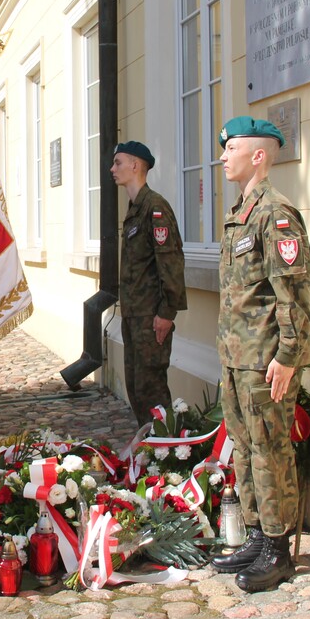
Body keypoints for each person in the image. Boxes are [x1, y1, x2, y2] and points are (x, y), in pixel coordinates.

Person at [208, 117, 310, 593]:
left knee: (271, 451)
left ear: (258, 155)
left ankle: (277, 547)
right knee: (247, 450)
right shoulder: (241, 212)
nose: (222, 155)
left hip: (266, 359)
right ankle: (255, 533)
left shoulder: (277, 213)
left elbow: (291, 291)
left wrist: (289, 356)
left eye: (230, 148)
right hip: (237, 356)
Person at [110, 141, 187, 426]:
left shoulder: (154, 208)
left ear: (135, 165)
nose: (112, 168)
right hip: (134, 315)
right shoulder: (135, 208)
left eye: (118, 163)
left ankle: (166, 455)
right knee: (137, 389)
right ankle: (150, 451)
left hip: (151, 317)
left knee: (151, 391)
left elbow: (171, 262)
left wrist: (167, 313)